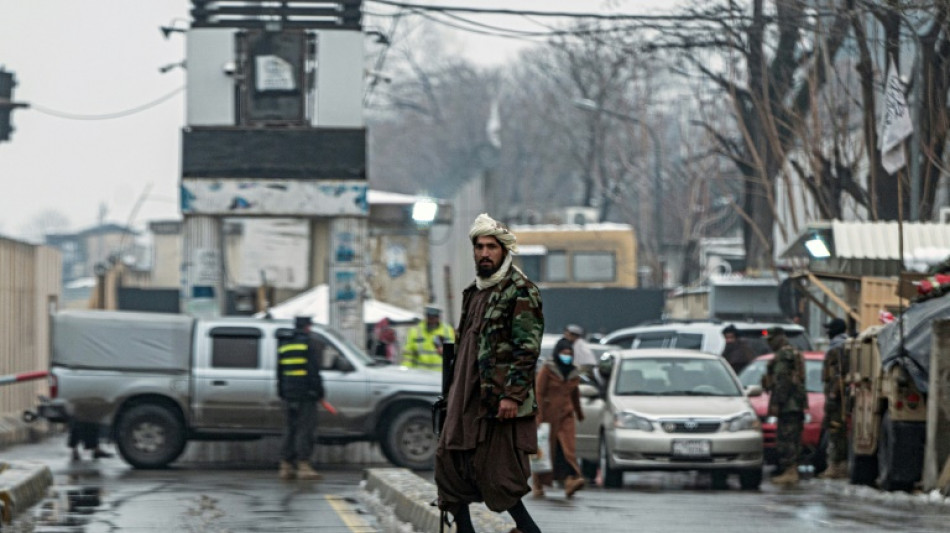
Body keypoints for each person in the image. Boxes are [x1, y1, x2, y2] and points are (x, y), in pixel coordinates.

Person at [435, 213, 545, 533]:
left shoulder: (520, 291)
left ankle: (527, 529)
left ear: (503, 251)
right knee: (450, 468)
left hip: (496, 404)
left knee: (499, 476)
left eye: (491, 247)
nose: (484, 254)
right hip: (463, 399)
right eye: (479, 247)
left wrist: (512, 395)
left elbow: (527, 350)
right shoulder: (474, 292)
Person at [533, 338, 585, 499]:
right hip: (548, 416)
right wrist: (539, 415)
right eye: (564, 353)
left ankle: (571, 479)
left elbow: (575, 394)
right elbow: (539, 392)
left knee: (567, 449)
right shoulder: (548, 369)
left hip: (566, 417)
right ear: (557, 353)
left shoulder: (573, 372)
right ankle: (538, 483)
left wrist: (579, 412)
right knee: (547, 451)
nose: (566, 356)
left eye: (569, 353)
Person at [276, 316, 324, 481]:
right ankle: (304, 466)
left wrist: (282, 391)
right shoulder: (307, 343)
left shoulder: (284, 344)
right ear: (308, 327)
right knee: (305, 429)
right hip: (305, 394)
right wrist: (318, 391)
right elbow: (313, 371)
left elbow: (280, 371)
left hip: (288, 393)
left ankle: (286, 466)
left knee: (290, 429)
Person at [762, 326, 808, 486]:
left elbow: (782, 382)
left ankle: (790, 471)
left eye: (771, 340)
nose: (769, 344)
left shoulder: (783, 356)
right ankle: (791, 470)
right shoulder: (794, 352)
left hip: (789, 404)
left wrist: (776, 403)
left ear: (779, 338)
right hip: (795, 403)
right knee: (794, 437)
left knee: (786, 437)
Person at [819, 318, 850, 479]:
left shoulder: (838, 348)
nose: (828, 333)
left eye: (830, 329)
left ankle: (837, 466)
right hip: (836, 397)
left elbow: (839, 374)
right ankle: (836, 465)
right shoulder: (842, 345)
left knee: (836, 430)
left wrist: (833, 394)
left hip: (837, 400)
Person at [402, 305, 455, 370]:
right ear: (426, 316)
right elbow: (408, 354)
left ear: (438, 317)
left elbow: (455, 352)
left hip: (441, 375)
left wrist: (446, 351)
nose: (432, 320)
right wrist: (406, 370)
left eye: (434, 317)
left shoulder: (448, 330)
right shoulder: (415, 331)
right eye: (429, 317)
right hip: (420, 374)